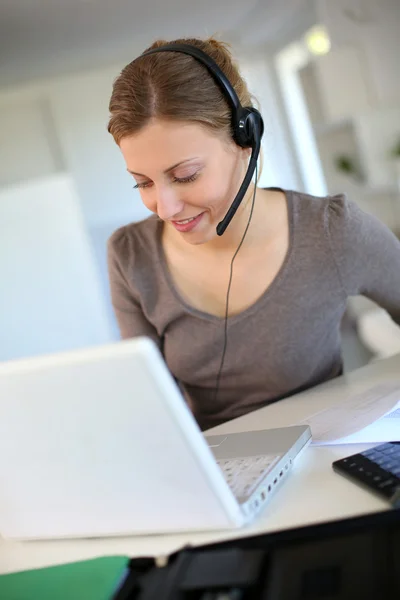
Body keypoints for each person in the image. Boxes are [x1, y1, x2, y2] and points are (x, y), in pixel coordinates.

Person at [107, 36, 400, 431]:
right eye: (142, 183)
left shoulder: (333, 230)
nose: (165, 207)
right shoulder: (130, 256)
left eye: (185, 176)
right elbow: (153, 409)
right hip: (220, 477)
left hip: (331, 462)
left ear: (247, 139)